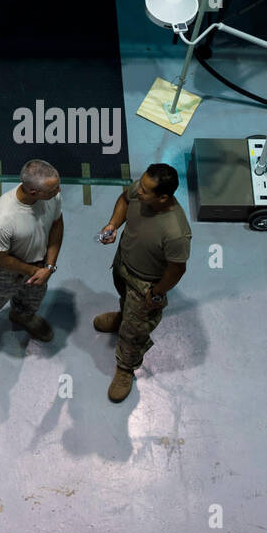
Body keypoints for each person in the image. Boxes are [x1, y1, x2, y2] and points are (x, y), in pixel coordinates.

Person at [95, 163, 191, 402]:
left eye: (146, 191)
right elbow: (125, 199)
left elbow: (177, 269)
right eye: (142, 185)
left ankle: (125, 368)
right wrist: (113, 225)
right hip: (124, 263)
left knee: (134, 331)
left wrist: (157, 292)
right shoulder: (141, 190)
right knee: (124, 299)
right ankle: (123, 315)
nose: (139, 191)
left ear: (163, 197)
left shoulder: (176, 231)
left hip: (146, 282)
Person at [0, 159, 64, 363]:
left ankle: (22, 315)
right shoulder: (3, 218)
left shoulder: (52, 197)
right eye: (53, 188)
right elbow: (0, 257)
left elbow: (57, 224)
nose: (59, 191)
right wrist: (33, 271)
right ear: (33, 192)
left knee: (32, 297)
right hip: (5, 270)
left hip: (39, 264)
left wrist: (48, 267)